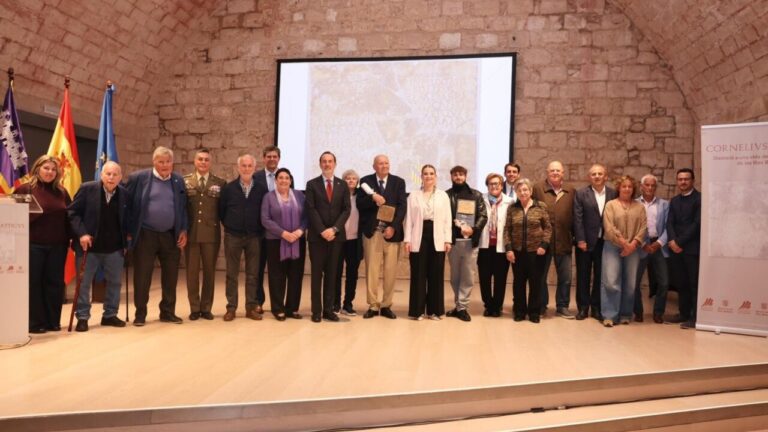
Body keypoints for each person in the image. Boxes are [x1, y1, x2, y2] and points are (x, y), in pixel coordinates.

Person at [125, 146, 188, 326]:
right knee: (142, 275)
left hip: (171, 235)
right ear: (154, 162)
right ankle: (140, 314)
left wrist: (183, 229)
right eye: (161, 161)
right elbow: (127, 207)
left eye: (168, 162)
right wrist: (128, 230)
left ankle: (167, 312)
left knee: (171, 276)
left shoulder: (177, 180)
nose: (165, 165)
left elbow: (183, 208)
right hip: (146, 234)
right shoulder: (139, 178)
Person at [67, 161, 130, 332]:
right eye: (108, 174)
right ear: (101, 175)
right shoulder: (87, 189)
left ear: (120, 177)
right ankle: (82, 317)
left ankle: (109, 315)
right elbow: (73, 213)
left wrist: (127, 241)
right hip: (89, 248)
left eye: (115, 174)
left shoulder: (125, 194)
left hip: (115, 248)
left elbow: (126, 219)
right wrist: (82, 234)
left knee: (115, 283)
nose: (111, 177)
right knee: (84, 284)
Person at [16, 155, 72, 334]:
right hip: (33, 245)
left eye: (53, 169)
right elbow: (15, 216)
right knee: (35, 283)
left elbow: (70, 217)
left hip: (58, 246)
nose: (50, 172)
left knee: (55, 283)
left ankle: (52, 321)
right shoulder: (26, 189)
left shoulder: (62, 192)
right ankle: (35, 323)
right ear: (37, 169)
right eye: (46, 168)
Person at [218, 154, 268, 321]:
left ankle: (250, 307)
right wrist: (232, 226)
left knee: (253, 274)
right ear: (238, 168)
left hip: (254, 237)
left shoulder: (261, 189)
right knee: (231, 274)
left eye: (249, 166)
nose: (246, 168)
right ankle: (231, 308)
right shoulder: (229, 188)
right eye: (243, 166)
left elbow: (265, 212)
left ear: (254, 168)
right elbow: (221, 212)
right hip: (233, 236)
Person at [357, 155, 407, 319]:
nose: (384, 166)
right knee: (371, 270)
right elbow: (360, 205)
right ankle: (373, 305)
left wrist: (393, 226)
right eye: (380, 163)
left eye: (386, 163)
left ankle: (386, 305)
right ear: (374, 166)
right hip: (373, 233)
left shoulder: (399, 182)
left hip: (392, 234)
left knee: (390, 271)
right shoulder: (365, 181)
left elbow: (402, 207)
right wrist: (373, 198)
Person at [305, 151, 351, 323]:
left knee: (332, 275)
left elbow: (346, 209)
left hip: (336, 238)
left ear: (335, 163)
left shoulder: (342, 185)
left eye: (330, 161)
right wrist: (322, 230)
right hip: (318, 238)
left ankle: (328, 310)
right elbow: (311, 209)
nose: (327, 164)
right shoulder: (312, 184)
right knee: (317, 275)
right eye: (324, 161)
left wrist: (334, 229)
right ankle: (316, 311)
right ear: (320, 164)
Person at [404, 164, 452, 320]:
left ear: (436, 176)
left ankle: (434, 311)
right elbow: (409, 219)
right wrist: (407, 240)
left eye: (431, 173)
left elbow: (447, 220)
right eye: (425, 173)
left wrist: (447, 240)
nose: (428, 176)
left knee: (436, 275)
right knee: (418, 273)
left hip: (437, 235)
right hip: (419, 235)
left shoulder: (443, 195)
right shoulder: (413, 195)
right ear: (421, 176)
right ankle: (417, 311)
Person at [183, 148, 226, 321]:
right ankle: (194, 307)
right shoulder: (185, 181)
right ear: (195, 161)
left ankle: (206, 307)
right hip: (191, 233)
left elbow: (223, 209)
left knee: (209, 272)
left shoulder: (220, 183)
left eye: (206, 160)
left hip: (211, 234)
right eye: (200, 159)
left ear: (210, 162)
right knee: (191, 273)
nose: (203, 162)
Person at [600, 175, 647, 327]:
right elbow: (608, 226)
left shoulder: (639, 207)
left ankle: (626, 314)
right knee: (610, 281)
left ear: (633, 189)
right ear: (619, 188)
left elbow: (643, 227)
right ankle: (609, 315)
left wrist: (632, 244)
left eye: (630, 187)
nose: (627, 189)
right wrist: (623, 242)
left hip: (633, 248)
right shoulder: (611, 205)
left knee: (630, 283)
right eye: (624, 186)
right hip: (612, 246)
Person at [261, 168, 306, 321]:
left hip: (297, 240)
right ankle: (278, 308)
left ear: (291, 180)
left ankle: (292, 308)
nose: (284, 180)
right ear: (276, 180)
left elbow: (307, 216)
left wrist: (299, 231)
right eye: (281, 177)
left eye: (287, 177)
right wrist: (284, 233)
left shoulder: (300, 195)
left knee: (295, 275)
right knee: (276, 276)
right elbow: (265, 219)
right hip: (275, 241)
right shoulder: (268, 197)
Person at [504, 178, 551, 323]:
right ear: (516, 192)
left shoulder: (541, 206)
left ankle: (534, 312)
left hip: (536, 252)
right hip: (517, 252)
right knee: (518, 283)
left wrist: (544, 245)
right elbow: (507, 230)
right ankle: (519, 311)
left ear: (530, 191)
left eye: (525, 190)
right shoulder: (512, 208)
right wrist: (509, 249)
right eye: (519, 190)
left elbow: (548, 228)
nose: (522, 192)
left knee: (535, 283)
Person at [532, 160, 575, 319]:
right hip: (543, 242)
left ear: (563, 173)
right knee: (540, 276)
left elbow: (575, 215)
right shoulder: (538, 188)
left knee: (565, 277)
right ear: (547, 172)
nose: (555, 173)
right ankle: (541, 305)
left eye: (558, 170)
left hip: (564, 240)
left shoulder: (570, 190)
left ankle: (562, 306)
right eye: (552, 171)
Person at [573, 164, 617, 321]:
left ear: (606, 176)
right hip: (584, 242)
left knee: (601, 276)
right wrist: (580, 239)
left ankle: (597, 308)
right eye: (593, 174)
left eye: (600, 173)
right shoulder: (581, 193)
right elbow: (577, 218)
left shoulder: (613, 193)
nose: (597, 176)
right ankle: (583, 308)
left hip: (605, 242)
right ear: (589, 177)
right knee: (583, 276)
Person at [445, 165, 487, 322]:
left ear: (466, 176)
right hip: (453, 242)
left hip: (470, 242)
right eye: (455, 174)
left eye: (461, 174)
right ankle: (458, 305)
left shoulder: (476, 195)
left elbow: (483, 215)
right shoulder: (446, 195)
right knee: (455, 277)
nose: (458, 177)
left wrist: (473, 229)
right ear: (451, 176)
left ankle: (463, 307)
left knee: (468, 277)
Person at [666, 168, 701, 329]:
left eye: (686, 179)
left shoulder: (699, 199)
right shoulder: (674, 201)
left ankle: (695, 317)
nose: (683, 182)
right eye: (680, 179)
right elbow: (670, 223)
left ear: (692, 180)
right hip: (675, 248)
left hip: (691, 249)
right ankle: (683, 313)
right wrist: (673, 241)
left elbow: (696, 224)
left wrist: (679, 242)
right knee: (681, 282)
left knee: (693, 283)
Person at [633, 174, 670, 324]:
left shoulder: (664, 205)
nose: (649, 188)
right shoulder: (634, 203)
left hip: (658, 246)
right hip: (640, 245)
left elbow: (669, 226)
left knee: (664, 282)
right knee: (634, 282)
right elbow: (632, 226)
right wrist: (642, 243)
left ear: (656, 187)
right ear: (641, 186)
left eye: (653, 185)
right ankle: (638, 312)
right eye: (647, 185)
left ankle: (658, 312)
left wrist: (659, 243)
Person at [477, 173, 514, 317]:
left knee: (500, 279)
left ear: (501, 185)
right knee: (484, 278)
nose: (494, 186)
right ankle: (488, 305)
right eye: (491, 184)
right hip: (484, 245)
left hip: (501, 247)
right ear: (487, 185)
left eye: (497, 184)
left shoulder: (509, 202)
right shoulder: (481, 199)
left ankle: (497, 306)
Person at [253, 145, 281, 314]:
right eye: (268, 156)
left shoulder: (284, 176)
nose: (272, 159)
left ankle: (277, 304)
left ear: (279, 159)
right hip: (259, 231)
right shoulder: (255, 177)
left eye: (274, 156)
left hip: (278, 233)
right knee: (258, 269)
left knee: (276, 270)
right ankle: (258, 301)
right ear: (264, 158)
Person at [335, 169, 363, 316]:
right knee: (336, 273)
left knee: (352, 274)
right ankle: (335, 303)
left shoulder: (361, 198)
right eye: (347, 178)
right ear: (343, 181)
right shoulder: (338, 196)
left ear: (357, 182)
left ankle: (348, 304)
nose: (351, 180)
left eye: (353, 178)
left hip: (355, 241)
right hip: (339, 240)